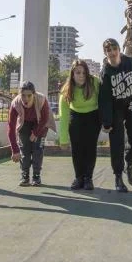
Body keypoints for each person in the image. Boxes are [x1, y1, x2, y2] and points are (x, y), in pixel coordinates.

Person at [99, 38, 132, 193]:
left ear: (119, 49)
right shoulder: (105, 72)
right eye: (108, 50)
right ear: (105, 53)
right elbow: (104, 98)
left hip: (131, 104)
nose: (112, 53)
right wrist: (107, 121)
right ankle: (118, 176)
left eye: (114, 49)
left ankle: (129, 164)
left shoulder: (131, 63)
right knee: (117, 143)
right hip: (115, 109)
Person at [59, 59, 101, 190]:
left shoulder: (95, 82)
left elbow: (104, 101)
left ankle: (88, 178)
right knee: (77, 149)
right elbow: (64, 117)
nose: (81, 75)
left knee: (90, 148)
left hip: (93, 117)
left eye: (83, 72)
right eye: (78, 72)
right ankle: (79, 178)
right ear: (72, 74)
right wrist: (63, 139)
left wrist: (106, 121)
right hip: (75, 117)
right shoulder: (66, 90)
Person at [8, 81, 54, 186]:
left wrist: (36, 133)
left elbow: (44, 119)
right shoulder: (15, 103)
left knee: (38, 149)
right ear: (20, 94)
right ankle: (25, 175)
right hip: (24, 124)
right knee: (24, 149)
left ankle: (36, 176)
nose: (26, 99)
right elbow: (11, 127)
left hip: (41, 125)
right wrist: (14, 150)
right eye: (23, 95)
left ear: (34, 94)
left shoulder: (42, 99)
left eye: (29, 95)